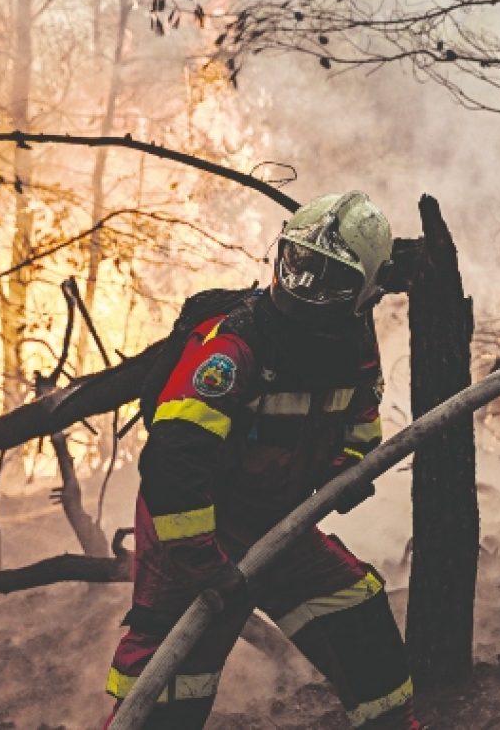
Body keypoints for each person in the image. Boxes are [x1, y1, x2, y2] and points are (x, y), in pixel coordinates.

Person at [102, 191, 421, 730]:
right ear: (281, 255)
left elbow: (363, 422)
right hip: (195, 533)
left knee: (356, 613)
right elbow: (173, 464)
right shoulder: (235, 347)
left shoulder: (354, 345)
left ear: (368, 286)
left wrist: (348, 467)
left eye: (331, 279)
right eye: (301, 267)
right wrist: (204, 566)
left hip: (277, 525)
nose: (309, 290)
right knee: (171, 684)